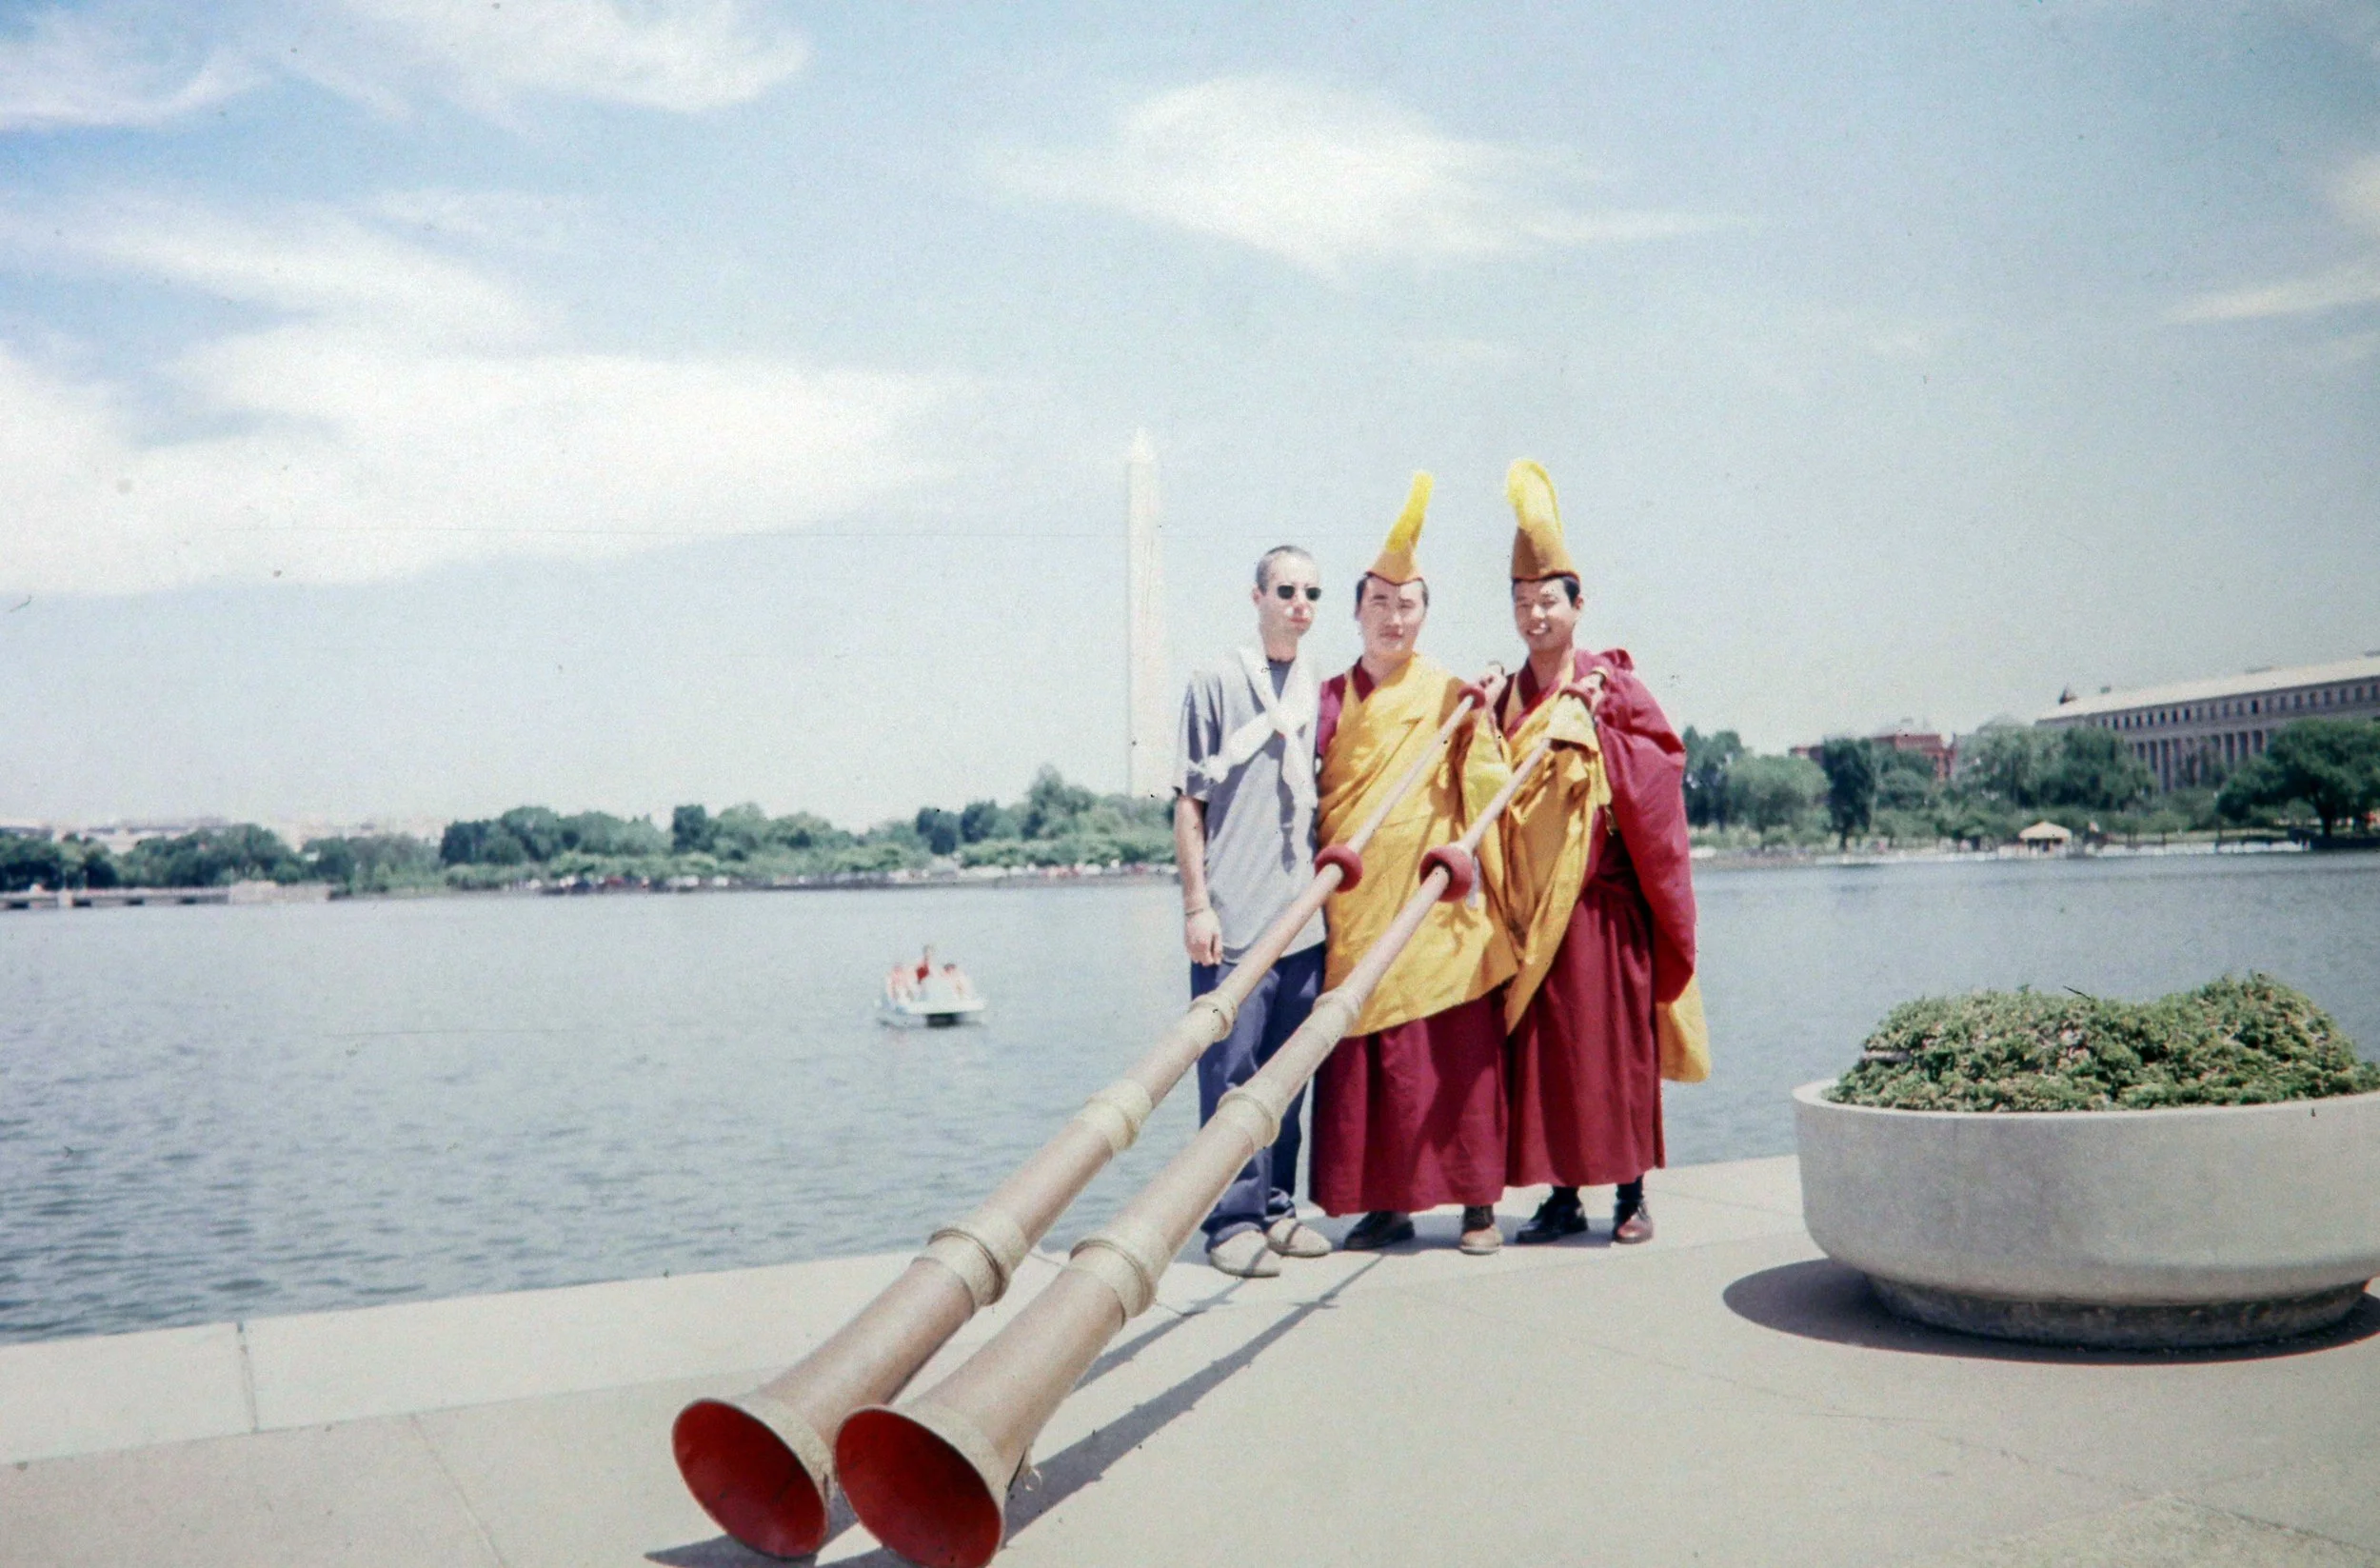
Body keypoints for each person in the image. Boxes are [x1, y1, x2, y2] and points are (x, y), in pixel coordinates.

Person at [1493, 460, 1709, 1246]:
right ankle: (1560, 1196)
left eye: (1548, 601)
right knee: (1551, 1061)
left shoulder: (1612, 682)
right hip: (1534, 910)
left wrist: (1601, 725)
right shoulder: (1506, 694)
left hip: (1602, 906)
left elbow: (1662, 766)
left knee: (1615, 1056)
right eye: (1522, 604)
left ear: (1578, 606)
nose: (1535, 616)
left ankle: (1631, 1194)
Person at [1308, 474, 1517, 1257]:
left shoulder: (1450, 693)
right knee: (1374, 1065)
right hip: (1359, 906)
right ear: (1357, 611)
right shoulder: (1330, 697)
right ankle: (1385, 1204)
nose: (1394, 620)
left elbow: (1485, 782)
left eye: (1408, 607)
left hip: (1433, 905)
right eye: (1379, 606)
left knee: (1454, 1060)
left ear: (1424, 616)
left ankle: (1476, 1207)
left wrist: (1485, 720)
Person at [1174, 543, 1337, 1278]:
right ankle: (1230, 1220)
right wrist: (1196, 904)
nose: (1299, 602)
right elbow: (1189, 803)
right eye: (1285, 589)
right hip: (1234, 922)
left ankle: (1276, 1207)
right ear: (1257, 596)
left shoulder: (1319, 688)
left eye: (1311, 592)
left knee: (1287, 1077)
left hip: (1300, 919)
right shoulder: (1214, 681)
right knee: (1230, 1078)